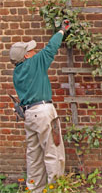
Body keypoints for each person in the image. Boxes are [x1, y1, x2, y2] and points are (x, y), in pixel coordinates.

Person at [9, 20, 70, 192]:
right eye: (31, 50)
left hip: (30, 115)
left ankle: (34, 189)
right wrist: (62, 31)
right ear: (26, 55)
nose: (34, 51)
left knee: (34, 155)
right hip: (43, 112)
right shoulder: (35, 63)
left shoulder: (17, 73)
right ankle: (55, 188)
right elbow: (51, 48)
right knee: (53, 152)